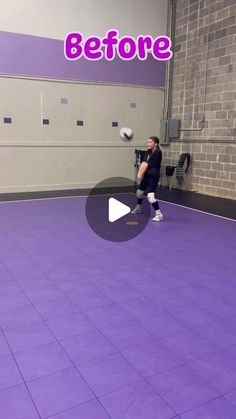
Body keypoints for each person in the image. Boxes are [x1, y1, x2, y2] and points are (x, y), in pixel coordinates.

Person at [131, 136, 163, 222]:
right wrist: (141, 175)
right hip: (147, 175)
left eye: (150, 142)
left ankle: (159, 214)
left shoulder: (157, 152)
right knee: (139, 192)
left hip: (153, 176)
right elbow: (144, 162)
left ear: (155, 144)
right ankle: (139, 208)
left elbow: (145, 165)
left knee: (150, 197)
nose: (148, 144)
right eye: (148, 142)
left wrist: (139, 175)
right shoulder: (148, 152)